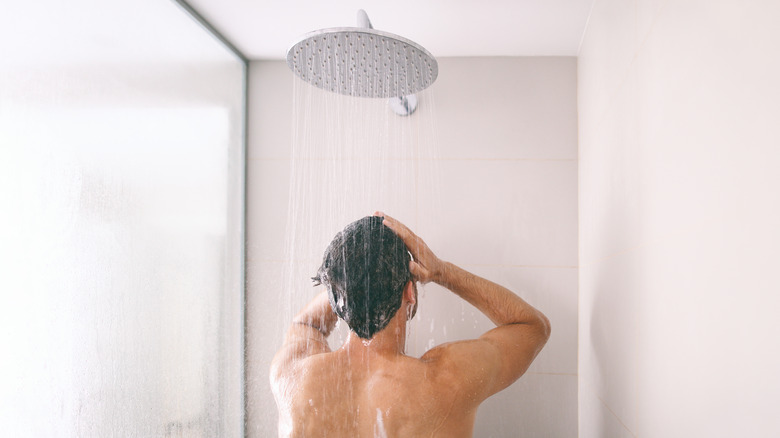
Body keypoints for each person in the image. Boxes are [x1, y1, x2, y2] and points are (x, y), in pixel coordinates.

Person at [270, 213, 551, 438]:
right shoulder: (447, 380)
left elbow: (306, 323)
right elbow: (531, 326)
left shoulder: (292, 376)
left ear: (335, 296)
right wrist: (440, 271)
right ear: (410, 291)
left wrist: (351, 282)